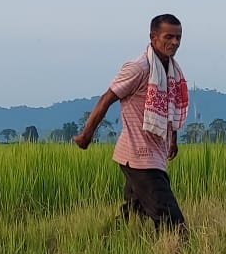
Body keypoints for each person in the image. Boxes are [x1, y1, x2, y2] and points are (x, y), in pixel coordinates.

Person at [73, 14, 190, 230]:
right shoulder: (139, 68)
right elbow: (106, 99)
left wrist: (172, 139)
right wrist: (86, 135)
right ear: (153, 37)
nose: (174, 43)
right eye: (169, 37)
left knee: (134, 214)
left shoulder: (171, 70)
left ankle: (110, 244)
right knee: (172, 222)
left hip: (154, 153)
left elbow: (169, 107)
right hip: (140, 157)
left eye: (178, 38)